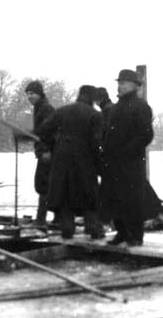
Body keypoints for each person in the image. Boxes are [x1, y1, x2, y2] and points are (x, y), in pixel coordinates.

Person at [100, 69, 155, 247]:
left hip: (131, 162)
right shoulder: (116, 107)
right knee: (115, 198)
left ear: (134, 85)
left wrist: (128, 151)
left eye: (123, 83)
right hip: (114, 162)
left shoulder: (141, 106)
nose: (119, 86)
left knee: (133, 199)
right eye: (119, 83)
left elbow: (146, 134)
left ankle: (136, 235)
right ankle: (121, 233)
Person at [40, 85, 103, 239]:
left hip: (62, 158)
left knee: (65, 193)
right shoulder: (95, 115)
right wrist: (99, 164)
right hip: (84, 159)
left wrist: (51, 145)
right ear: (93, 98)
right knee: (88, 193)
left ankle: (67, 228)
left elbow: (44, 130)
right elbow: (96, 142)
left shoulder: (63, 111)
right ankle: (93, 228)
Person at [20, 80, 56, 231]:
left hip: (48, 152)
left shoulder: (46, 108)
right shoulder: (39, 108)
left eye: (32, 93)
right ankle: (53, 217)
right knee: (45, 185)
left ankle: (41, 219)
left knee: (43, 185)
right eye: (28, 94)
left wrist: (45, 150)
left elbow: (47, 132)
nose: (30, 97)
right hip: (44, 151)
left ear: (39, 93)